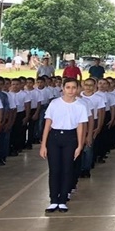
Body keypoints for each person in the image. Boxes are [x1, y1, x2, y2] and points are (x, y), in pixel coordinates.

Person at [38, 78, 87, 213]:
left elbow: (80, 127)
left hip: (70, 138)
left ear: (77, 89)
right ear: (63, 88)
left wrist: (79, 145)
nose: (71, 90)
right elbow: (48, 124)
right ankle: (53, 200)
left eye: (73, 87)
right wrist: (43, 144)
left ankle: (63, 199)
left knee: (67, 169)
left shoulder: (80, 106)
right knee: (54, 170)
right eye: (68, 87)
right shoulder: (55, 103)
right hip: (54, 138)